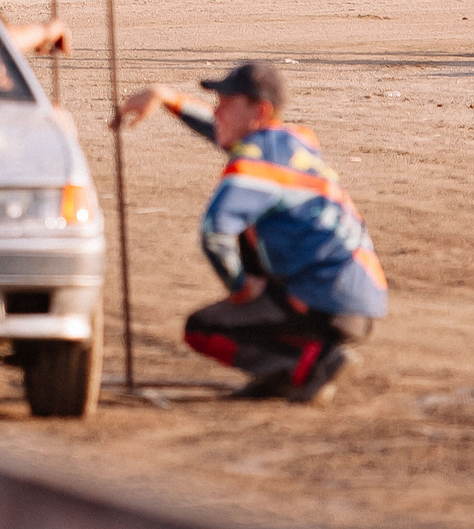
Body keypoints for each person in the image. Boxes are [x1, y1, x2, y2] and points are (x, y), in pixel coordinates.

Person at [115, 62, 387, 404]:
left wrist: (242, 287)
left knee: (203, 328)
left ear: (259, 111)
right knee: (253, 237)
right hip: (357, 300)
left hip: (323, 301)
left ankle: (306, 365)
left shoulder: (254, 163)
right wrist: (166, 97)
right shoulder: (293, 141)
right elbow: (220, 131)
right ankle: (298, 365)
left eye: (227, 103)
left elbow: (215, 231)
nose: (217, 111)